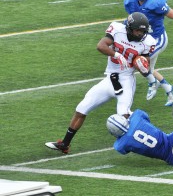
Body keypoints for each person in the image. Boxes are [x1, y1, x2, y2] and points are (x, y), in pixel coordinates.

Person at [45, 12, 156, 154]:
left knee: (123, 116)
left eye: (142, 31)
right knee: (82, 108)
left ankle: (150, 139)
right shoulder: (117, 29)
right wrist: (116, 54)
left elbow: (144, 65)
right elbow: (101, 45)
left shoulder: (148, 42)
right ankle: (65, 144)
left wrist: (141, 65)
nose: (140, 34)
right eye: (137, 30)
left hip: (126, 79)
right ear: (128, 28)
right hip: (110, 78)